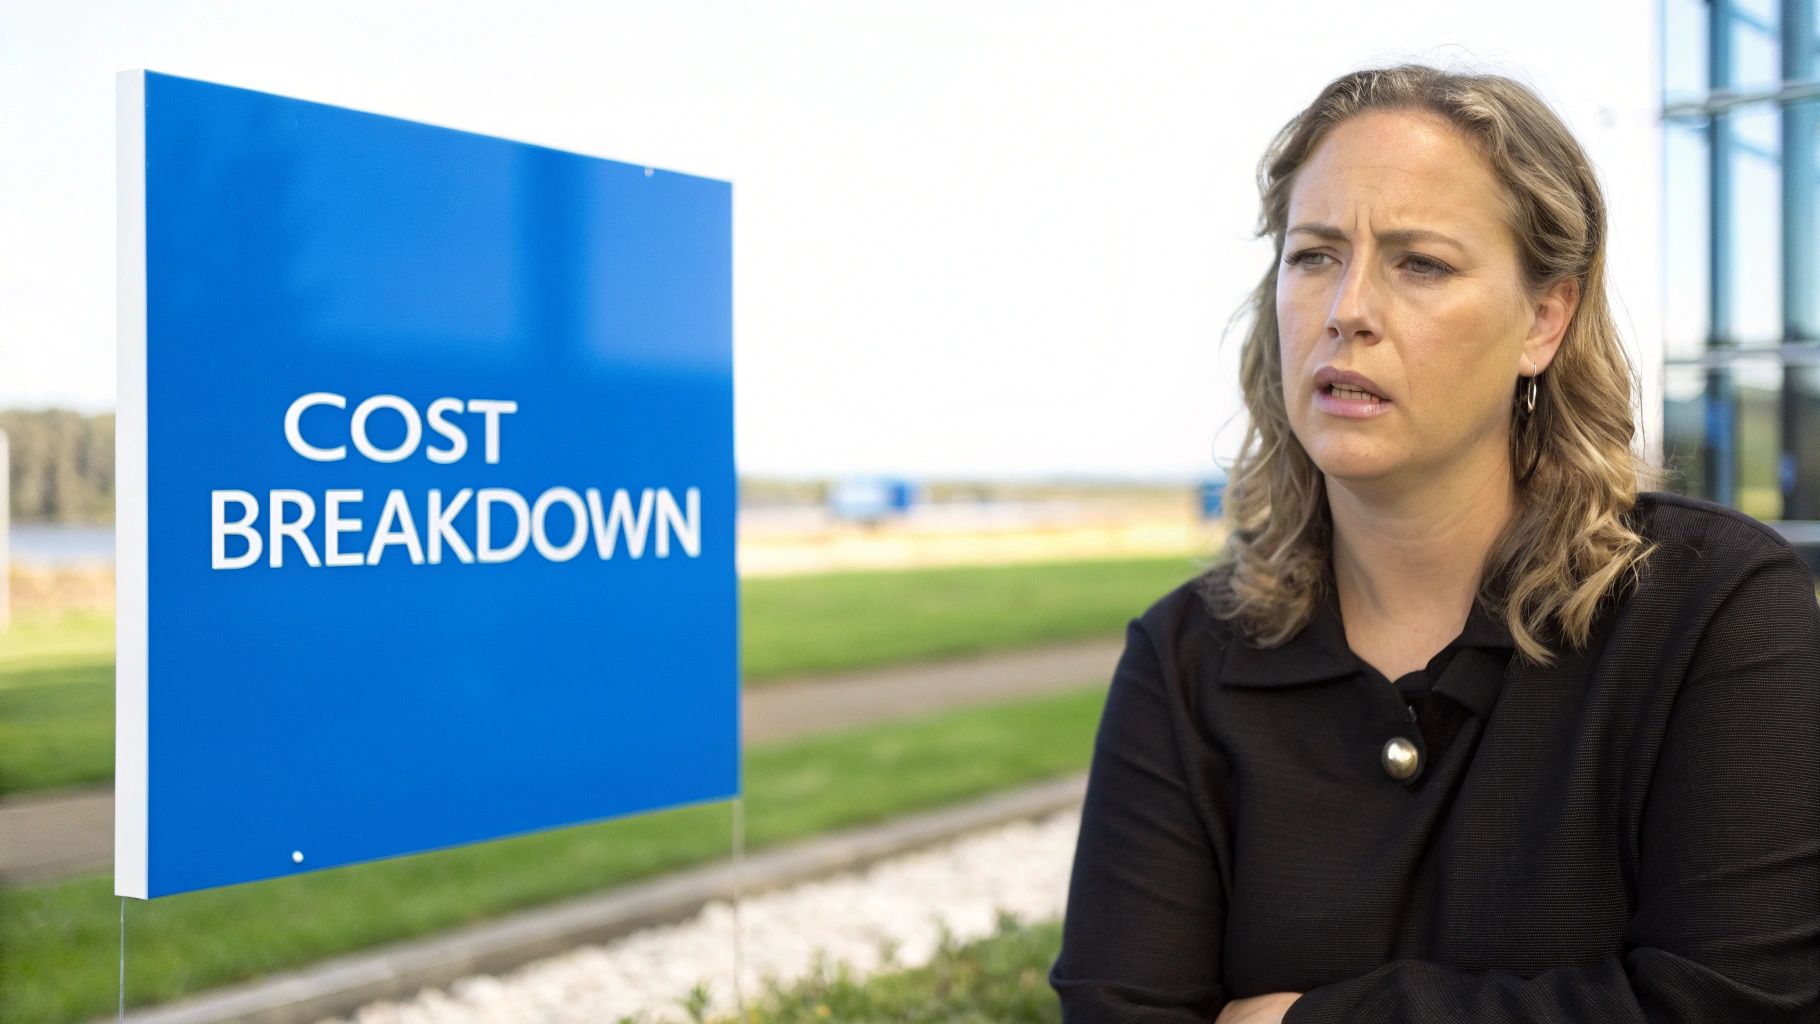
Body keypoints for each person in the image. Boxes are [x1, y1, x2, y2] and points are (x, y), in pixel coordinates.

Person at [1047, 62, 1820, 1023]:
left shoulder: (1715, 608)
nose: (1348, 310)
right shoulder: (1186, 662)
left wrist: (1300, 1021)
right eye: (1315, 254)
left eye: (1420, 263)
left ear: (1545, 319)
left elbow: (1733, 1007)